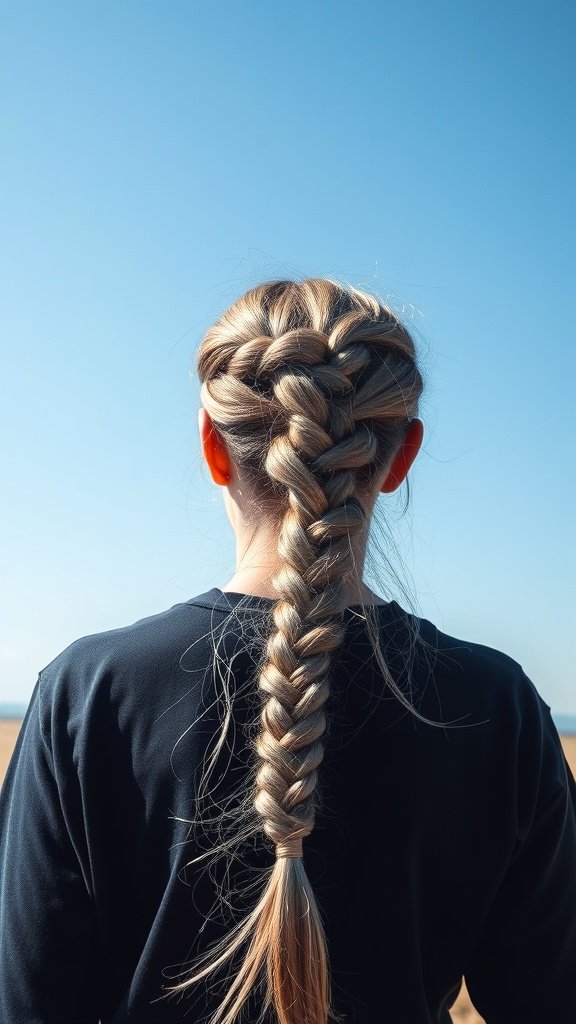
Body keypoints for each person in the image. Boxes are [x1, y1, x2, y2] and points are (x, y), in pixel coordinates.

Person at [0, 278, 575, 1024]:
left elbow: (25, 1001)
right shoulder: (497, 708)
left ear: (213, 444)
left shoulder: (88, 692)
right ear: (401, 458)